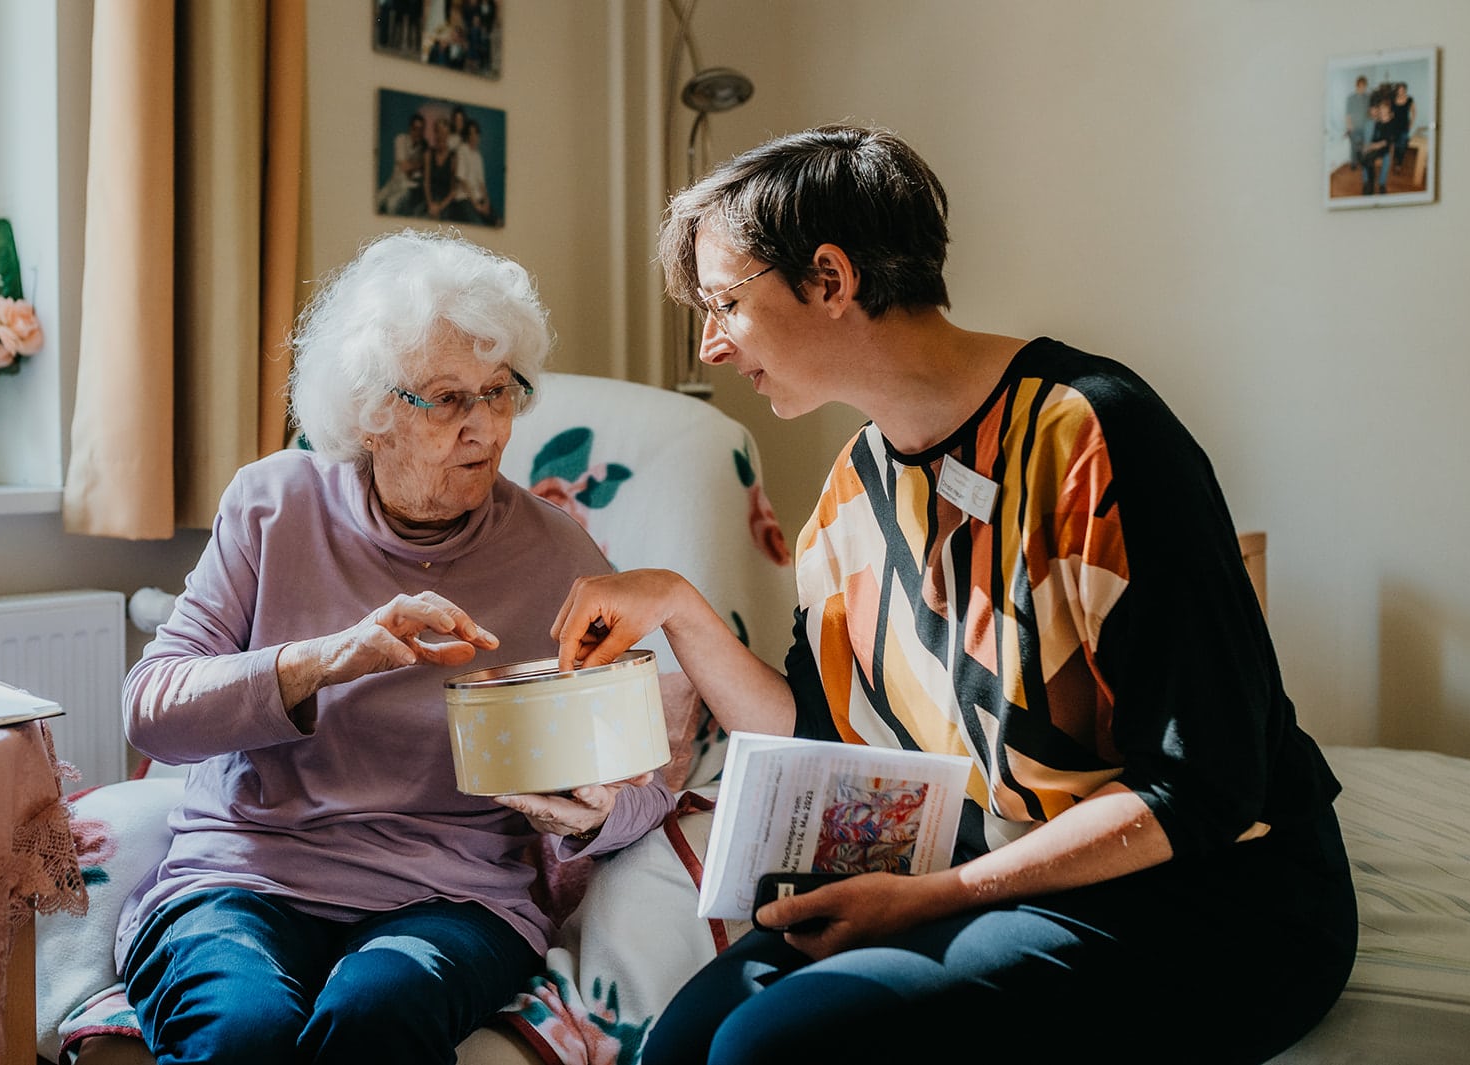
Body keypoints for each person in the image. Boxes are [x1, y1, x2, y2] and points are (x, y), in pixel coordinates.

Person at [551, 125, 1357, 1064]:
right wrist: (678, 607)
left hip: (1207, 894)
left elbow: (1204, 786)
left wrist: (936, 898)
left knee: (769, 1049)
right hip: (978, 870)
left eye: (726, 302)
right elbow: (818, 738)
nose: (713, 345)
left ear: (828, 279)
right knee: (680, 1044)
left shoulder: (1096, 435)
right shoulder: (855, 489)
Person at [114, 230, 673, 1065]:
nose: (484, 426)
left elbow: (642, 774)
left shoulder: (561, 556)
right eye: (447, 399)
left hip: (453, 894)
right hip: (245, 878)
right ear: (372, 414)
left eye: (500, 391)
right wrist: (333, 657)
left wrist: (596, 813)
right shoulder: (272, 505)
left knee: (376, 1017)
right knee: (242, 1033)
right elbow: (151, 712)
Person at [376, 112, 428, 216]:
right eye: (415, 128)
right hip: (393, 182)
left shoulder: (424, 147)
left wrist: (414, 166)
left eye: (421, 129)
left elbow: (421, 171)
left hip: (408, 187)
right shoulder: (401, 139)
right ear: (410, 128)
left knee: (391, 205)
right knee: (375, 201)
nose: (418, 132)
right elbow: (404, 166)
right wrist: (419, 164)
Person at [1343, 74, 1370, 174]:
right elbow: (1347, 114)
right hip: (1354, 126)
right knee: (1354, 146)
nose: (1363, 88)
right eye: (1361, 86)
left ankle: (1362, 162)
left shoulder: (1367, 97)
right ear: (1357, 85)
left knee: (1363, 145)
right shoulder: (1350, 98)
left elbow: (1369, 112)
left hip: (1365, 126)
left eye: (1364, 86)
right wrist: (1349, 126)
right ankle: (1353, 163)